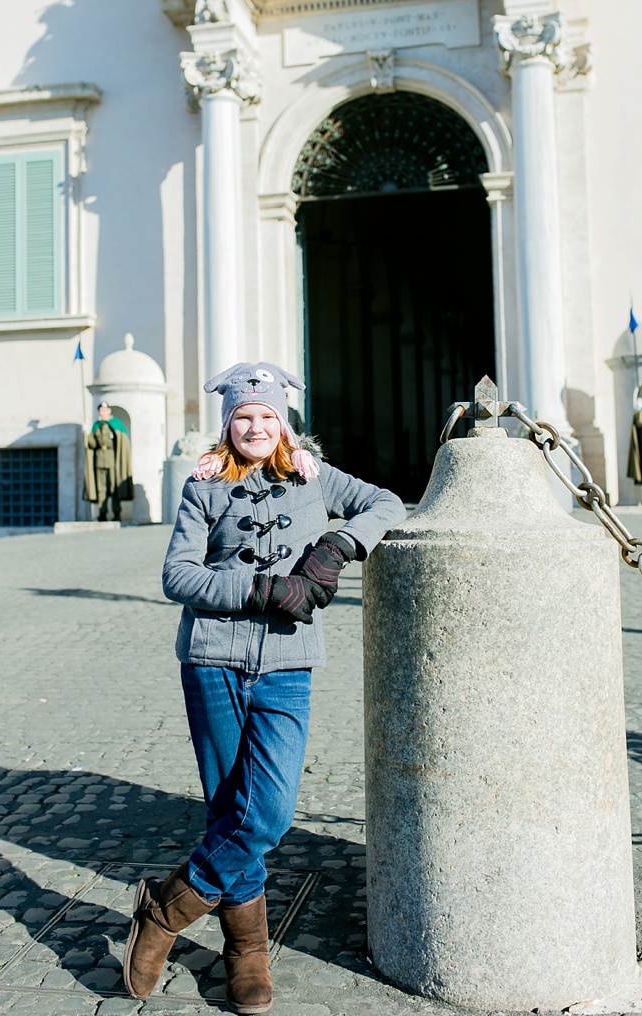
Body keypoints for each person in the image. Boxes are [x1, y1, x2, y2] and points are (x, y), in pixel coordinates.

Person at [125, 362, 405, 1011]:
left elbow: (386, 504)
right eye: (244, 416)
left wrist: (338, 542)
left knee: (269, 811)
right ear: (228, 425)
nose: (256, 425)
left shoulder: (313, 474)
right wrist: (253, 588)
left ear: (283, 422)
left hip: (288, 662)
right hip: (212, 660)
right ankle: (246, 951)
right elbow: (178, 577)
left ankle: (165, 909)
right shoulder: (204, 485)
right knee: (229, 810)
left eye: (267, 415)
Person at [84, 401, 133, 522]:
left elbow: (122, 444)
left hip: (113, 461)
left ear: (109, 410)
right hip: (99, 461)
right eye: (101, 410)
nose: (102, 412)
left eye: (104, 410)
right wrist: (88, 435)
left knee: (114, 488)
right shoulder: (97, 426)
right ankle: (102, 512)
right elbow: (93, 444)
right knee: (101, 489)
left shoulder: (116, 424)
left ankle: (117, 513)